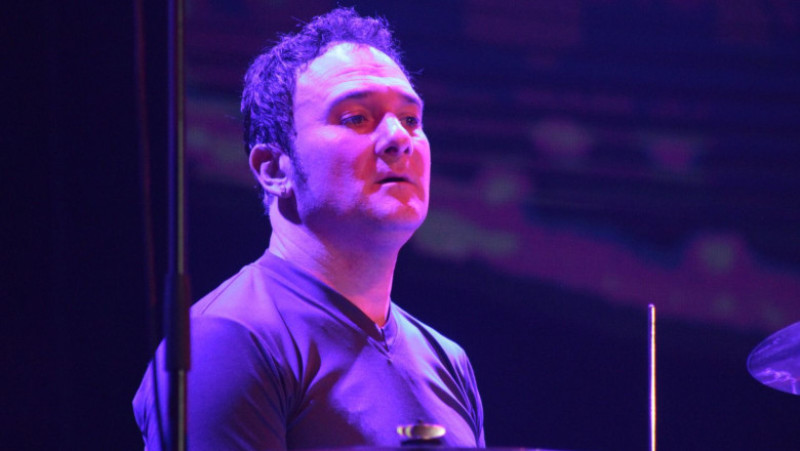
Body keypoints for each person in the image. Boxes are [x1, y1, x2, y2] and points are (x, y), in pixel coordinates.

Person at [133, 7, 484, 450]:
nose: (400, 138)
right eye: (356, 117)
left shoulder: (447, 360)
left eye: (411, 119)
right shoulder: (227, 340)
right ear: (274, 168)